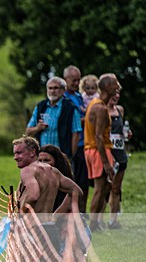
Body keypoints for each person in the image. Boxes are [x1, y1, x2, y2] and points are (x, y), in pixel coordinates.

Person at [85, 74, 121, 232]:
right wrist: (106, 163)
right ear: (107, 87)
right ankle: (92, 225)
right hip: (97, 150)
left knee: (106, 187)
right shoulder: (100, 108)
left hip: (97, 149)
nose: (118, 87)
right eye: (115, 84)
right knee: (99, 189)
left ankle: (96, 223)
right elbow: (98, 136)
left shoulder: (96, 104)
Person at [25, 77, 81, 161]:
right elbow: (28, 131)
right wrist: (37, 128)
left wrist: (69, 157)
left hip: (61, 157)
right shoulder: (40, 106)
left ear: (63, 90)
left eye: (55, 88)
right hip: (42, 157)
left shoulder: (71, 108)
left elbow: (76, 134)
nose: (52, 91)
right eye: (50, 88)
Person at [62, 65, 90, 213]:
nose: (77, 83)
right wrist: (90, 117)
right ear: (65, 79)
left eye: (78, 80)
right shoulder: (63, 98)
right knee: (72, 183)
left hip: (84, 145)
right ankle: (73, 214)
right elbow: (73, 121)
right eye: (73, 80)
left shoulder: (79, 96)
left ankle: (83, 213)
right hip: (72, 146)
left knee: (84, 183)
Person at [106, 87, 131, 229]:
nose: (116, 96)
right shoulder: (100, 110)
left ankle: (113, 220)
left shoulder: (120, 110)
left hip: (120, 154)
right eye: (113, 93)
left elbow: (121, 131)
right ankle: (96, 221)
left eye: (118, 93)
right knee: (104, 188)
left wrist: (127, 133)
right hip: (106, 154)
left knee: (116, 188)